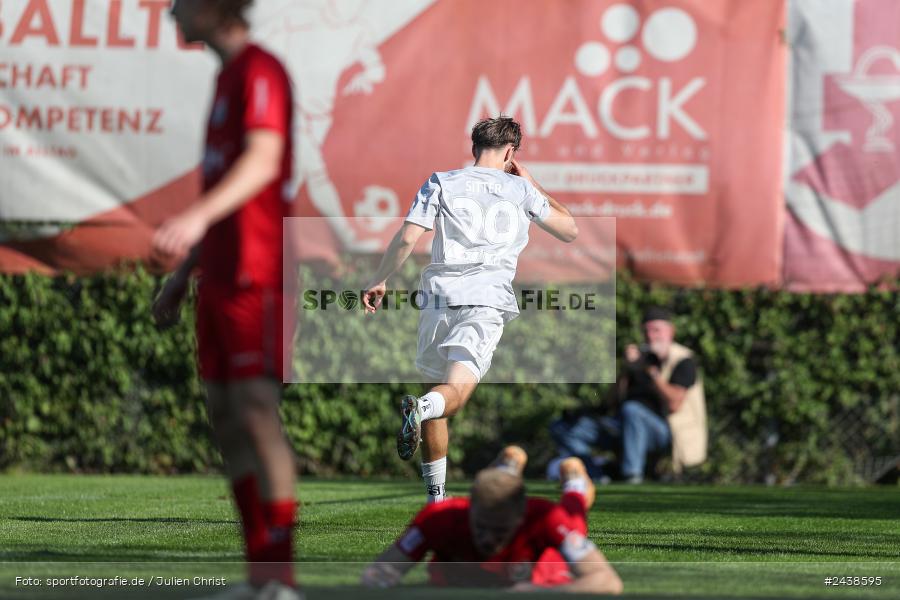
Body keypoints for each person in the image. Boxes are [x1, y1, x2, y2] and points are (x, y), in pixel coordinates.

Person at [152, 2, 300, 598]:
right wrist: (183, 272)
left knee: (257, 411)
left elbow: (263, 161)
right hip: (217, 275)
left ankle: (281, 582)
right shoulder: (225, 78)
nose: (170, 11)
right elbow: (224, 184)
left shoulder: (261, 70)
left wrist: (191, 219)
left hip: (257, 274)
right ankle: (257, 577)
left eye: (180, 1)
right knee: (224, 413)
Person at [361, 116, 579, 503]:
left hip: (438, 299)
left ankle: (436, 499)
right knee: (452, 396)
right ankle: (420, 408)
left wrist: (380, 278)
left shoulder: (442, 181)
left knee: (436, 393)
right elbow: (569, 229)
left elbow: (408, 237)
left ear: (474, 146)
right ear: (511, 152)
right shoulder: (519, 190)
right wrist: (530, 181)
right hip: (485, 301)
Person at [361, 446, 622, 593]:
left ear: (521, 515)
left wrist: (538, 593)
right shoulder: (440, 518)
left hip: (545, 572)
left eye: (499, 531)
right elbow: (381, 572)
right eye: (481, 527)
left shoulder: (544, 517)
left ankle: (574, 479)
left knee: (574, 517)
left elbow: (608, 582)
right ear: (468, 508)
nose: (487, 539)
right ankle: (507, 469)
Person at [550, 307, 707, 484]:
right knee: (562, 427)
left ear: (671, 331)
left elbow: (674, 404)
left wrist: (651, 372)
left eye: (656, 330)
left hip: (665, 433)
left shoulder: (683, 360)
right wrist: (626, 369)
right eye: (646, 330)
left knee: (632, 410)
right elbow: (611, 402)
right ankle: (596, 474)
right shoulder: (638, 360)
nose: (650, 335)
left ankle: (632, 476)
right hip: (623, 426)